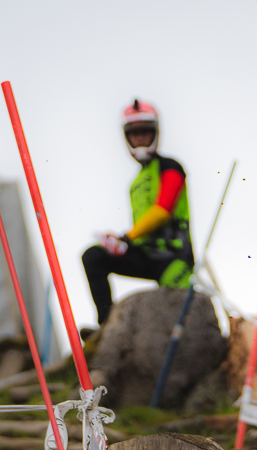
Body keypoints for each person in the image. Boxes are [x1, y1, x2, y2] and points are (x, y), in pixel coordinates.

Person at [81, 99, 194, 324]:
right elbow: (143, 224)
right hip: (144, 253)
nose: (140, 138)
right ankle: (105, 326)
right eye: (135, 133)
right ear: (126, 137)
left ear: (156, 133)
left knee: (175, 314)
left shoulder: (170, 166)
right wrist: (121, 241)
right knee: (93, 256)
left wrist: (126, 238)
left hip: (173, 258)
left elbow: (162, 211)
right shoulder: (135, 182)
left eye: (145, 131)